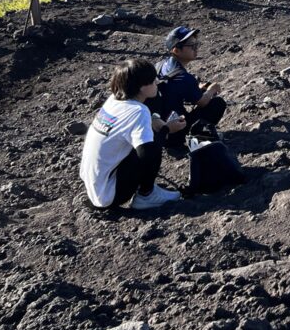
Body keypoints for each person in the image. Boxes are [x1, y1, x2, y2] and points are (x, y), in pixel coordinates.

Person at [79, 58, 185, 209]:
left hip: (95, 183)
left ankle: (143, 190)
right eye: (152, 80)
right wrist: (168, 129)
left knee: (148, 137)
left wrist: (153, 120)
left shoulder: (114, 100)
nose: (156, 82)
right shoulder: (138, 111)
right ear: (141, 87)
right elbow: (147, 153)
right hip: (110, 194)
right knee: (151, 144)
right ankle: (146, 195)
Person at [151, 26, 226, 150]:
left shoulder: (159, 66)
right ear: (176, 50)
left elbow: (173, 90)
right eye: (192, 46)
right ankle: (198, 140)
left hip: (159, 131)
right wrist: (212, 89)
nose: (196, 48)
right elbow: (202, 102)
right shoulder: (184, 77)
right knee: (217, 104)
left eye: (196, 44)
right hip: (176, 132)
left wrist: (197, 88)